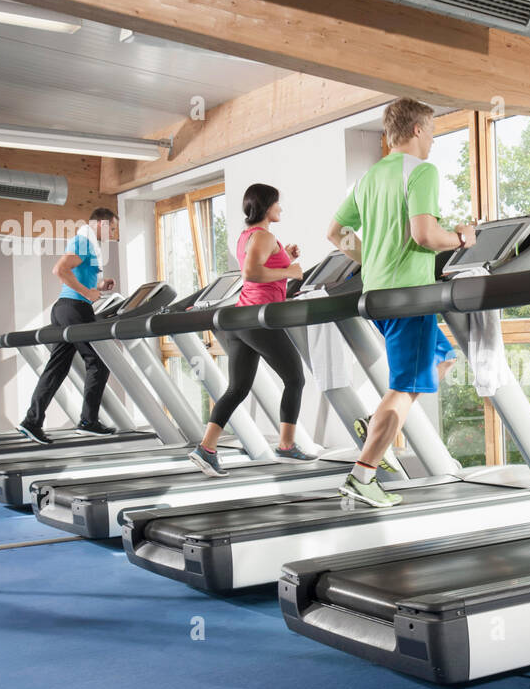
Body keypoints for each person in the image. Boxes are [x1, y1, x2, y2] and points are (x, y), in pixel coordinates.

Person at [326, 97, 476, 507]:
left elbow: (335, 232)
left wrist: (370, 259)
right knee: (405, 385)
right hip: (409, 297)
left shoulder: (369, 178)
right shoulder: (422, 171)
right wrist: (462, 238)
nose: (432, 141)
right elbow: (426, 235)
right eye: (431, 131)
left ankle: (377, 423)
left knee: (442, 359)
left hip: (376, 295)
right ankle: (363, 474)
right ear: (416, 130)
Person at [189, 183, 314, 476]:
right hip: (258, 319)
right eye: (277, 204)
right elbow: (252, 273)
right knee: (295, 378)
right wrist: (290, 271)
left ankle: (206, 449)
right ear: (266, 205)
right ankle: (286, 445)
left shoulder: (249, 236)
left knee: (237, 388)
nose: (280, 208)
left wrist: (287, 257)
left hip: (241, 321)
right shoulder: (263, 235)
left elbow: (259, 265)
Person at [17, 207, 119, 444]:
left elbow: (79, 275)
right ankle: (88, 422)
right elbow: (60, 270)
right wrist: (88, 294)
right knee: (98, 363)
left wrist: (100, 286)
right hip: (75, 308)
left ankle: (32, 421)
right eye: (112, 228)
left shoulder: (87, 244)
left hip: (64, 308)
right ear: (102, 224)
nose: (113, 233)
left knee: (57, 367)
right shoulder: (83, 241)